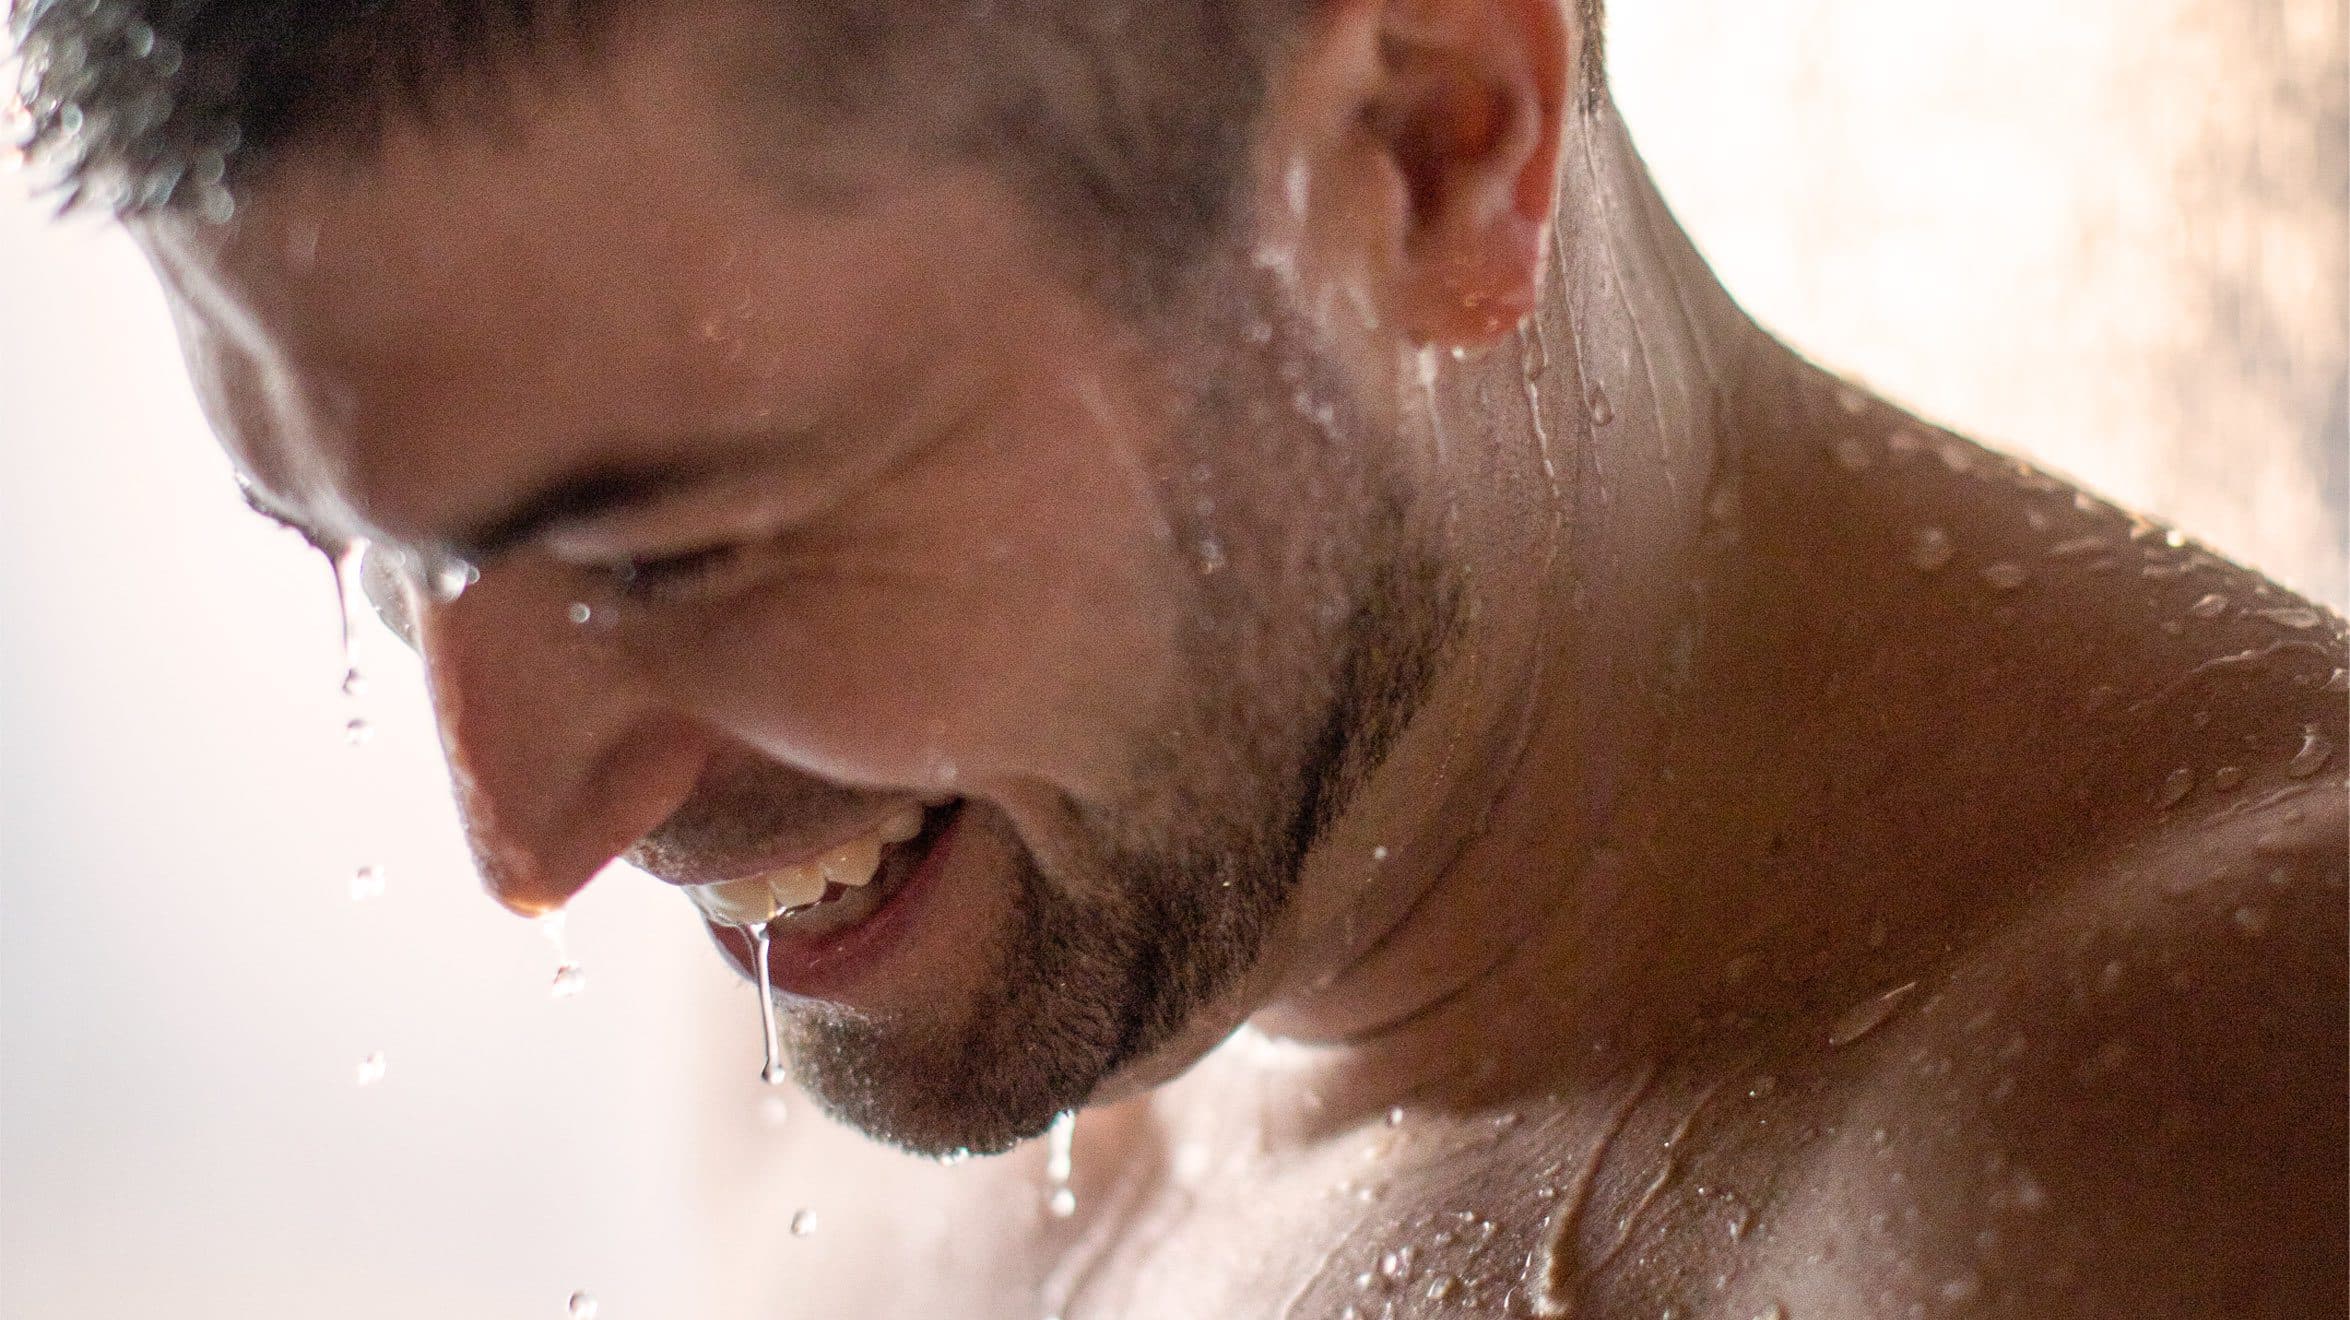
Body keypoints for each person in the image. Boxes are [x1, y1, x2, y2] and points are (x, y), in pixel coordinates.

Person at [13, 0, 2344, 1314]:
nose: (522, 840)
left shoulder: (2166, 1169)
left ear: (1431, 143)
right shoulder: (871, 948)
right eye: (378, 563)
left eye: (678, 553)